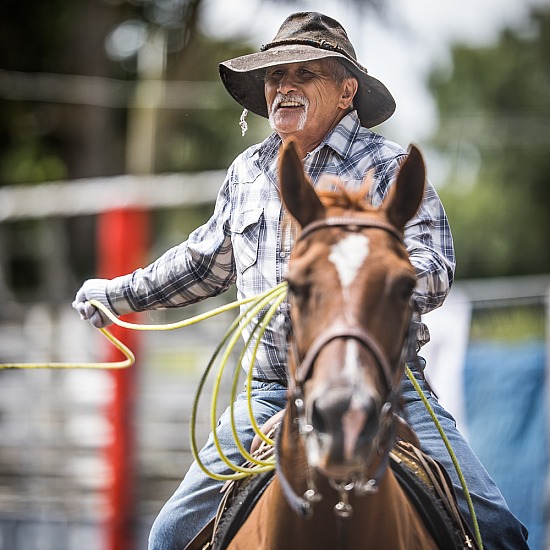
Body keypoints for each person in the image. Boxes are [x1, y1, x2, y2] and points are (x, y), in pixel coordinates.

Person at [73, 11, 529, 550]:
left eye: (304, 74)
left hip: (387, 388)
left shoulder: (388, 167)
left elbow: (435, 271)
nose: (283, 88)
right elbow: (203, 263)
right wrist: (116, 295)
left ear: (346, 91)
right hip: (270, 393)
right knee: (168, 536)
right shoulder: (248, 172)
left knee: (498, 530)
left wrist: (359, 278)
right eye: (273, 77)